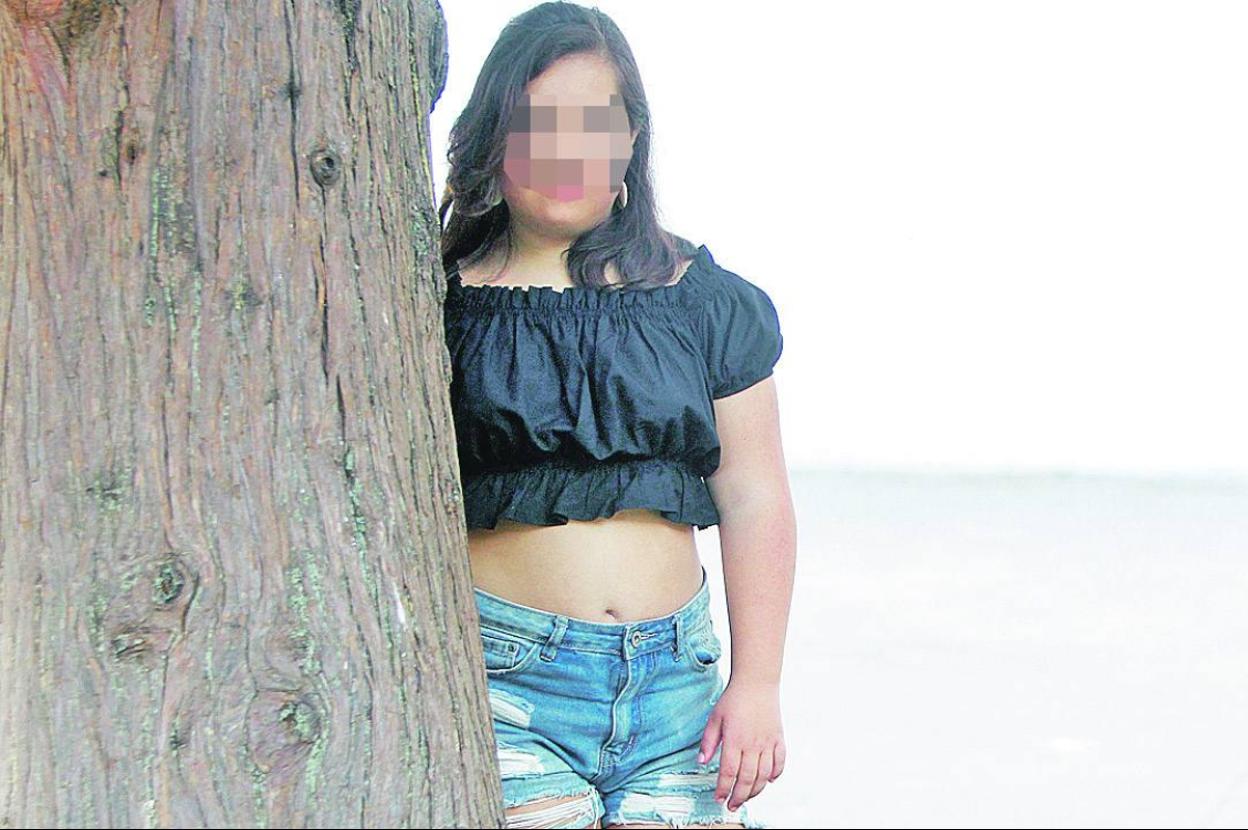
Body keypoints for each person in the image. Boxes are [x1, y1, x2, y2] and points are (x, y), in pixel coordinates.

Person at [438, 4, 795, 828]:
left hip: (678, 692)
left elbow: (756, 498)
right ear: (493, 136)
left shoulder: (704, 301)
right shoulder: (439, 301)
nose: (566, 151)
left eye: (593, 123)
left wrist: (758, 684)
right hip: (505, 686)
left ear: (631, 136)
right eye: (537, 124)